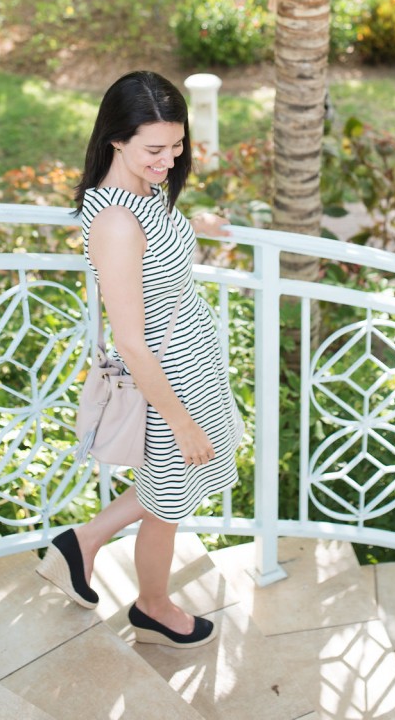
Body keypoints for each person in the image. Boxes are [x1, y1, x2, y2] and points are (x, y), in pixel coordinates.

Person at [37, 70, 242, 648]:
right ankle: (152, 606)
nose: (170, 159)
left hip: (190, 366)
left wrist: (191, 225)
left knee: (167, 486)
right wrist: (179, 420)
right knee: (167, 501)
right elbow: (131, 340)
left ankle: (82, 544)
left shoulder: (142, 198)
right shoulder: (116, 221)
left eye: (177, 145)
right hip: (168, 379)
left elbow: (154, 252)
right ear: (116, 139)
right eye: (155, 148)